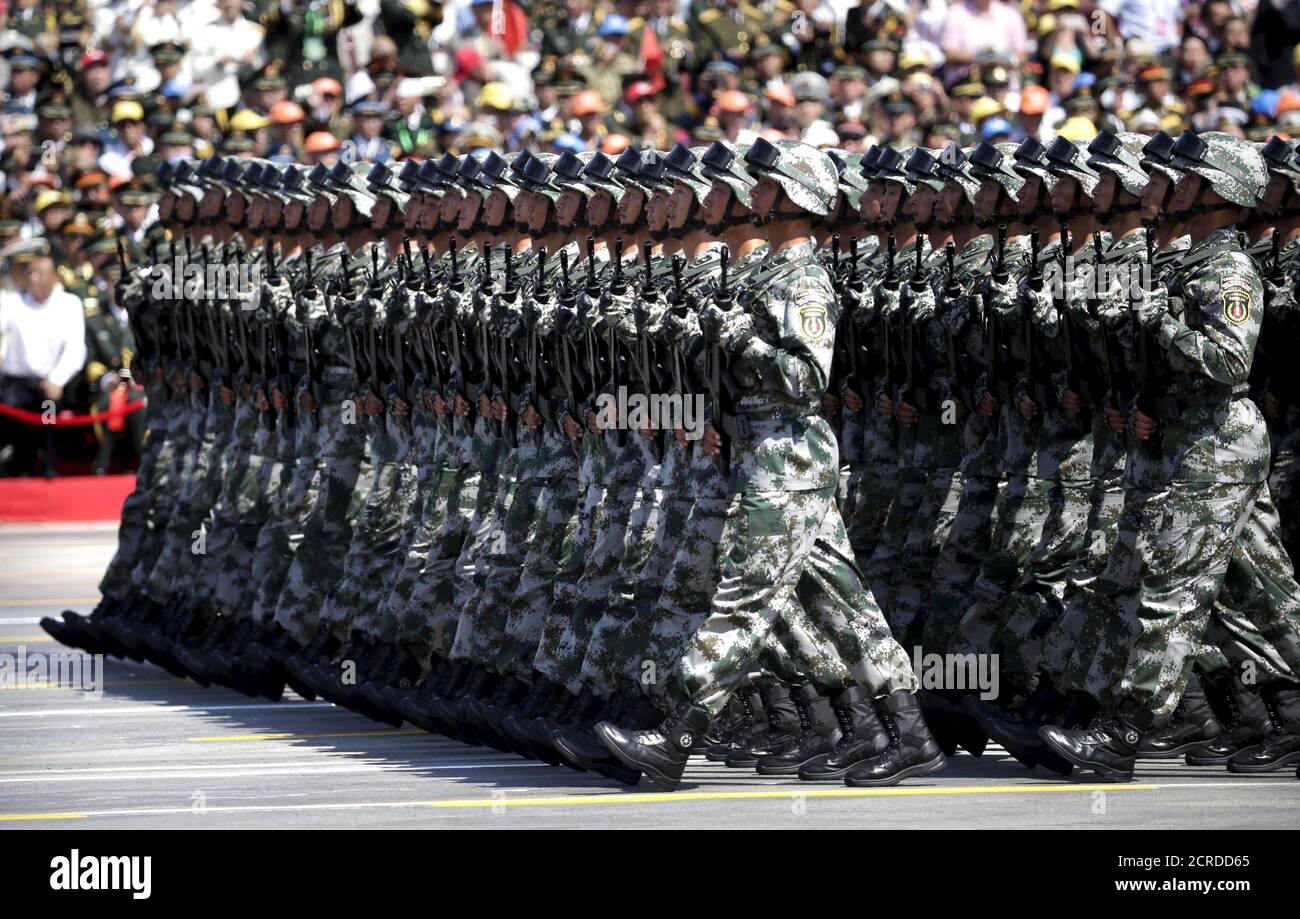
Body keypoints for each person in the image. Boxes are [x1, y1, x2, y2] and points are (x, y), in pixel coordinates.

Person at [0, 248, 87, 477]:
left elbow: (76, 350)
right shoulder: (12, 303)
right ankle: (19, 465)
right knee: (12, 417)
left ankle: (48, 465)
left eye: (40, 273)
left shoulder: (70, 304)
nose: (34, 279)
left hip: (49, 383)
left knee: (49, 417)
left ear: (55, 276)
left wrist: (57, 378)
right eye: (31, 273)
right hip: (16, 384)